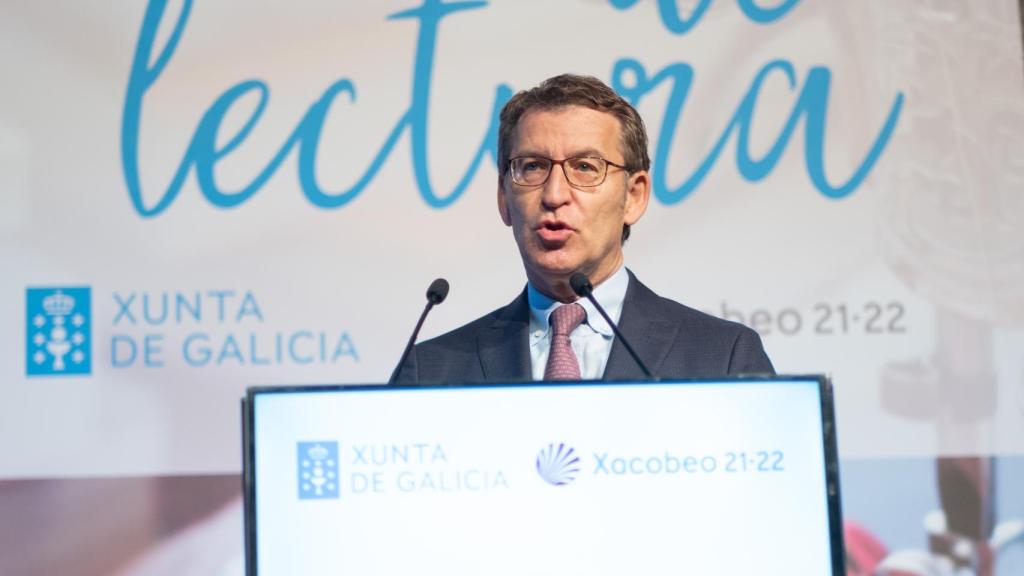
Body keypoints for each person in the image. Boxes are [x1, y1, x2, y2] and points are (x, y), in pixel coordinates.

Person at [396, 74, 773, 383]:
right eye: (532, 167)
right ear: (503, 197)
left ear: (634, 196)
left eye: (585, 167)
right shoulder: (430, 371)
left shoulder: (724, 357)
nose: (554, 194)